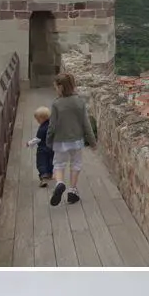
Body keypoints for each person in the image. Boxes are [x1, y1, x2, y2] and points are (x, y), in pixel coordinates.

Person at [46, 72, 96, 207]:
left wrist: (48, 141)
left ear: (61, 87)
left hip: (60, 140)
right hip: (76, 140)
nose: (55, 90)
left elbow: (52, 126)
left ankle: (60, 183)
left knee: (59, 164)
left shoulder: (56, 104)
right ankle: (72, 191)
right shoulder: (79, 102)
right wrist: (92, 142)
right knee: (76, 163)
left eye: (56, 87)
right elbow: (86, 124)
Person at [25, 106, 54, 187]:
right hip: (52, 148)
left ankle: (44, 175)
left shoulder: (42, 128)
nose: (37, 121)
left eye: (38, 120)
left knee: (41, 162)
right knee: (50, 161)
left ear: (42, 118)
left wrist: (29, 143)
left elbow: (38, 139)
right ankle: (50, 173)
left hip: (42, 149)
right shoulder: (52, 125)